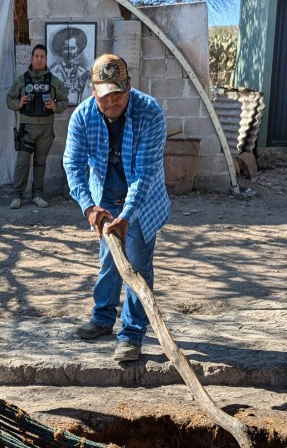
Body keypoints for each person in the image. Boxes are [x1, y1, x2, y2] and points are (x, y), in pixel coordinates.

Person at [62, 54, 170, 363]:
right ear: (93, 90)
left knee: (135, 265)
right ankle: (103, 318)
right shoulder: (82, 117)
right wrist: (89, 208)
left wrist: (126, 216)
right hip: (104, 197)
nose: (113, 101)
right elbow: (72, 165)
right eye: (107, 95)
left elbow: (145, 173)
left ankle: (132, 334)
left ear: (130, 86)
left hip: (142, 200)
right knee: (109, 260)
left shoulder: (149, 112)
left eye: (119, 93)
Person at [6, 43, 69, 209]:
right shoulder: (22, 80)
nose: (39, 59)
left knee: (40, 163)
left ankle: (37, 194)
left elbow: (64, 101)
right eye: (36, 56)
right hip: (27, 128)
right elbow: (9, 99)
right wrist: (18, 103)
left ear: (46, 59)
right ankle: (17, 195)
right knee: (22, 162)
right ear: (31, 58)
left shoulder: (53, 81)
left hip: (46, 129)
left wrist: (56, 106)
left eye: (42, 57)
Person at [51, 27, 92, 104]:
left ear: (77, 50)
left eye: (73, 48)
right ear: (61, 51)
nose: (70, 52)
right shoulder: (53, 72)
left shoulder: (83, 72)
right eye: (66, 48)